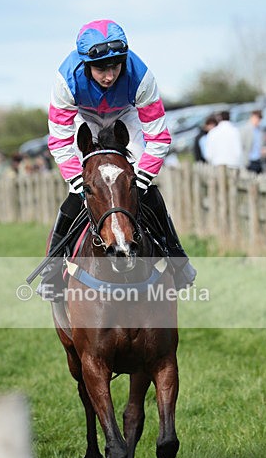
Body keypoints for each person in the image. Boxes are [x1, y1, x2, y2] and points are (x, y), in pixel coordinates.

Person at [41, 19, 196, 299]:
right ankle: (51, 270)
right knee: (78, 194)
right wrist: (78, 181)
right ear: (86, 63)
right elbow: (60, 142)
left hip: (126, 115)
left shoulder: (141, 76)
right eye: (101, 68)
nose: (109, 76)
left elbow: (158, 138)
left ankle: (177, 257)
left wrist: (141, 180)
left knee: (144, 192)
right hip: (82, 116)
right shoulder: (66, 80)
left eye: (115, 66)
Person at [241, 110, 266, 174]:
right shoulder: (245, 129)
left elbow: (264, 144)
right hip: (249, 160)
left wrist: (264, 148)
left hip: (259, 159)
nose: (258, 121)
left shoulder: (261, 130)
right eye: (257, 118)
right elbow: (241, 145)